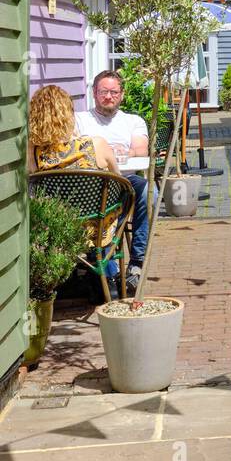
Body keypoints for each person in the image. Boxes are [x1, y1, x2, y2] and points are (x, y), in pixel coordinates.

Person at [28, 85, 123, 298]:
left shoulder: (33, 151)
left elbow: (35, 184)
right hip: (97, 227)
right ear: (69, 113)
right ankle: (110, 279)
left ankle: (86, 276)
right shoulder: (95, 144)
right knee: (120, 202)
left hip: (59, 226)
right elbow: (118, 181)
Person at [76, 71, 149, 296]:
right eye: (103, 92)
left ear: (122, 95)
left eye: (114, 92)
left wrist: (125, 151)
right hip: (90, 184)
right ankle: (108, 274)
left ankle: (136, 261)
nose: (108, 96)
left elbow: (141, 150)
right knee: (104, 217)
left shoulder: (133, 121)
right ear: (94, 93)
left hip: (125, 181)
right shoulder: (80, 119)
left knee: (148, 190)